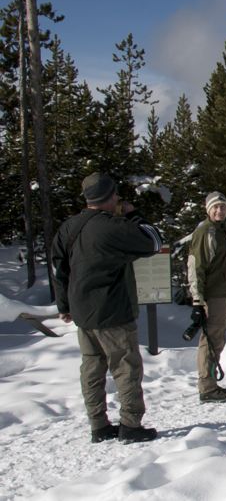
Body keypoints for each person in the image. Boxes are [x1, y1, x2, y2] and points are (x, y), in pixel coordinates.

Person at [52, 172, 163, 444]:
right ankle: (130, 424)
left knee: (92, 368)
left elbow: (59, 268)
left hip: (82, 311)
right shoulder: (112, 226)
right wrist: (134, 215)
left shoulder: (69, 227)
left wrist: (64, 304)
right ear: (110, 196)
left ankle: (99, 425)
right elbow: (153, 241)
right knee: (126, 367)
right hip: (112, 310)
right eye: (115, 195)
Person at [187, 191, 226, 403]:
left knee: (216, 339)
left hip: (222, 295)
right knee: (209, 340)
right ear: (208, 210)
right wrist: (198, 301)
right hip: (211, 296)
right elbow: (195, 267)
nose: (219, 211)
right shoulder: (206, 232)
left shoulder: (222, 231)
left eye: (223, 207)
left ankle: (210, 383)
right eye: (215, 207)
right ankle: (207, 387)